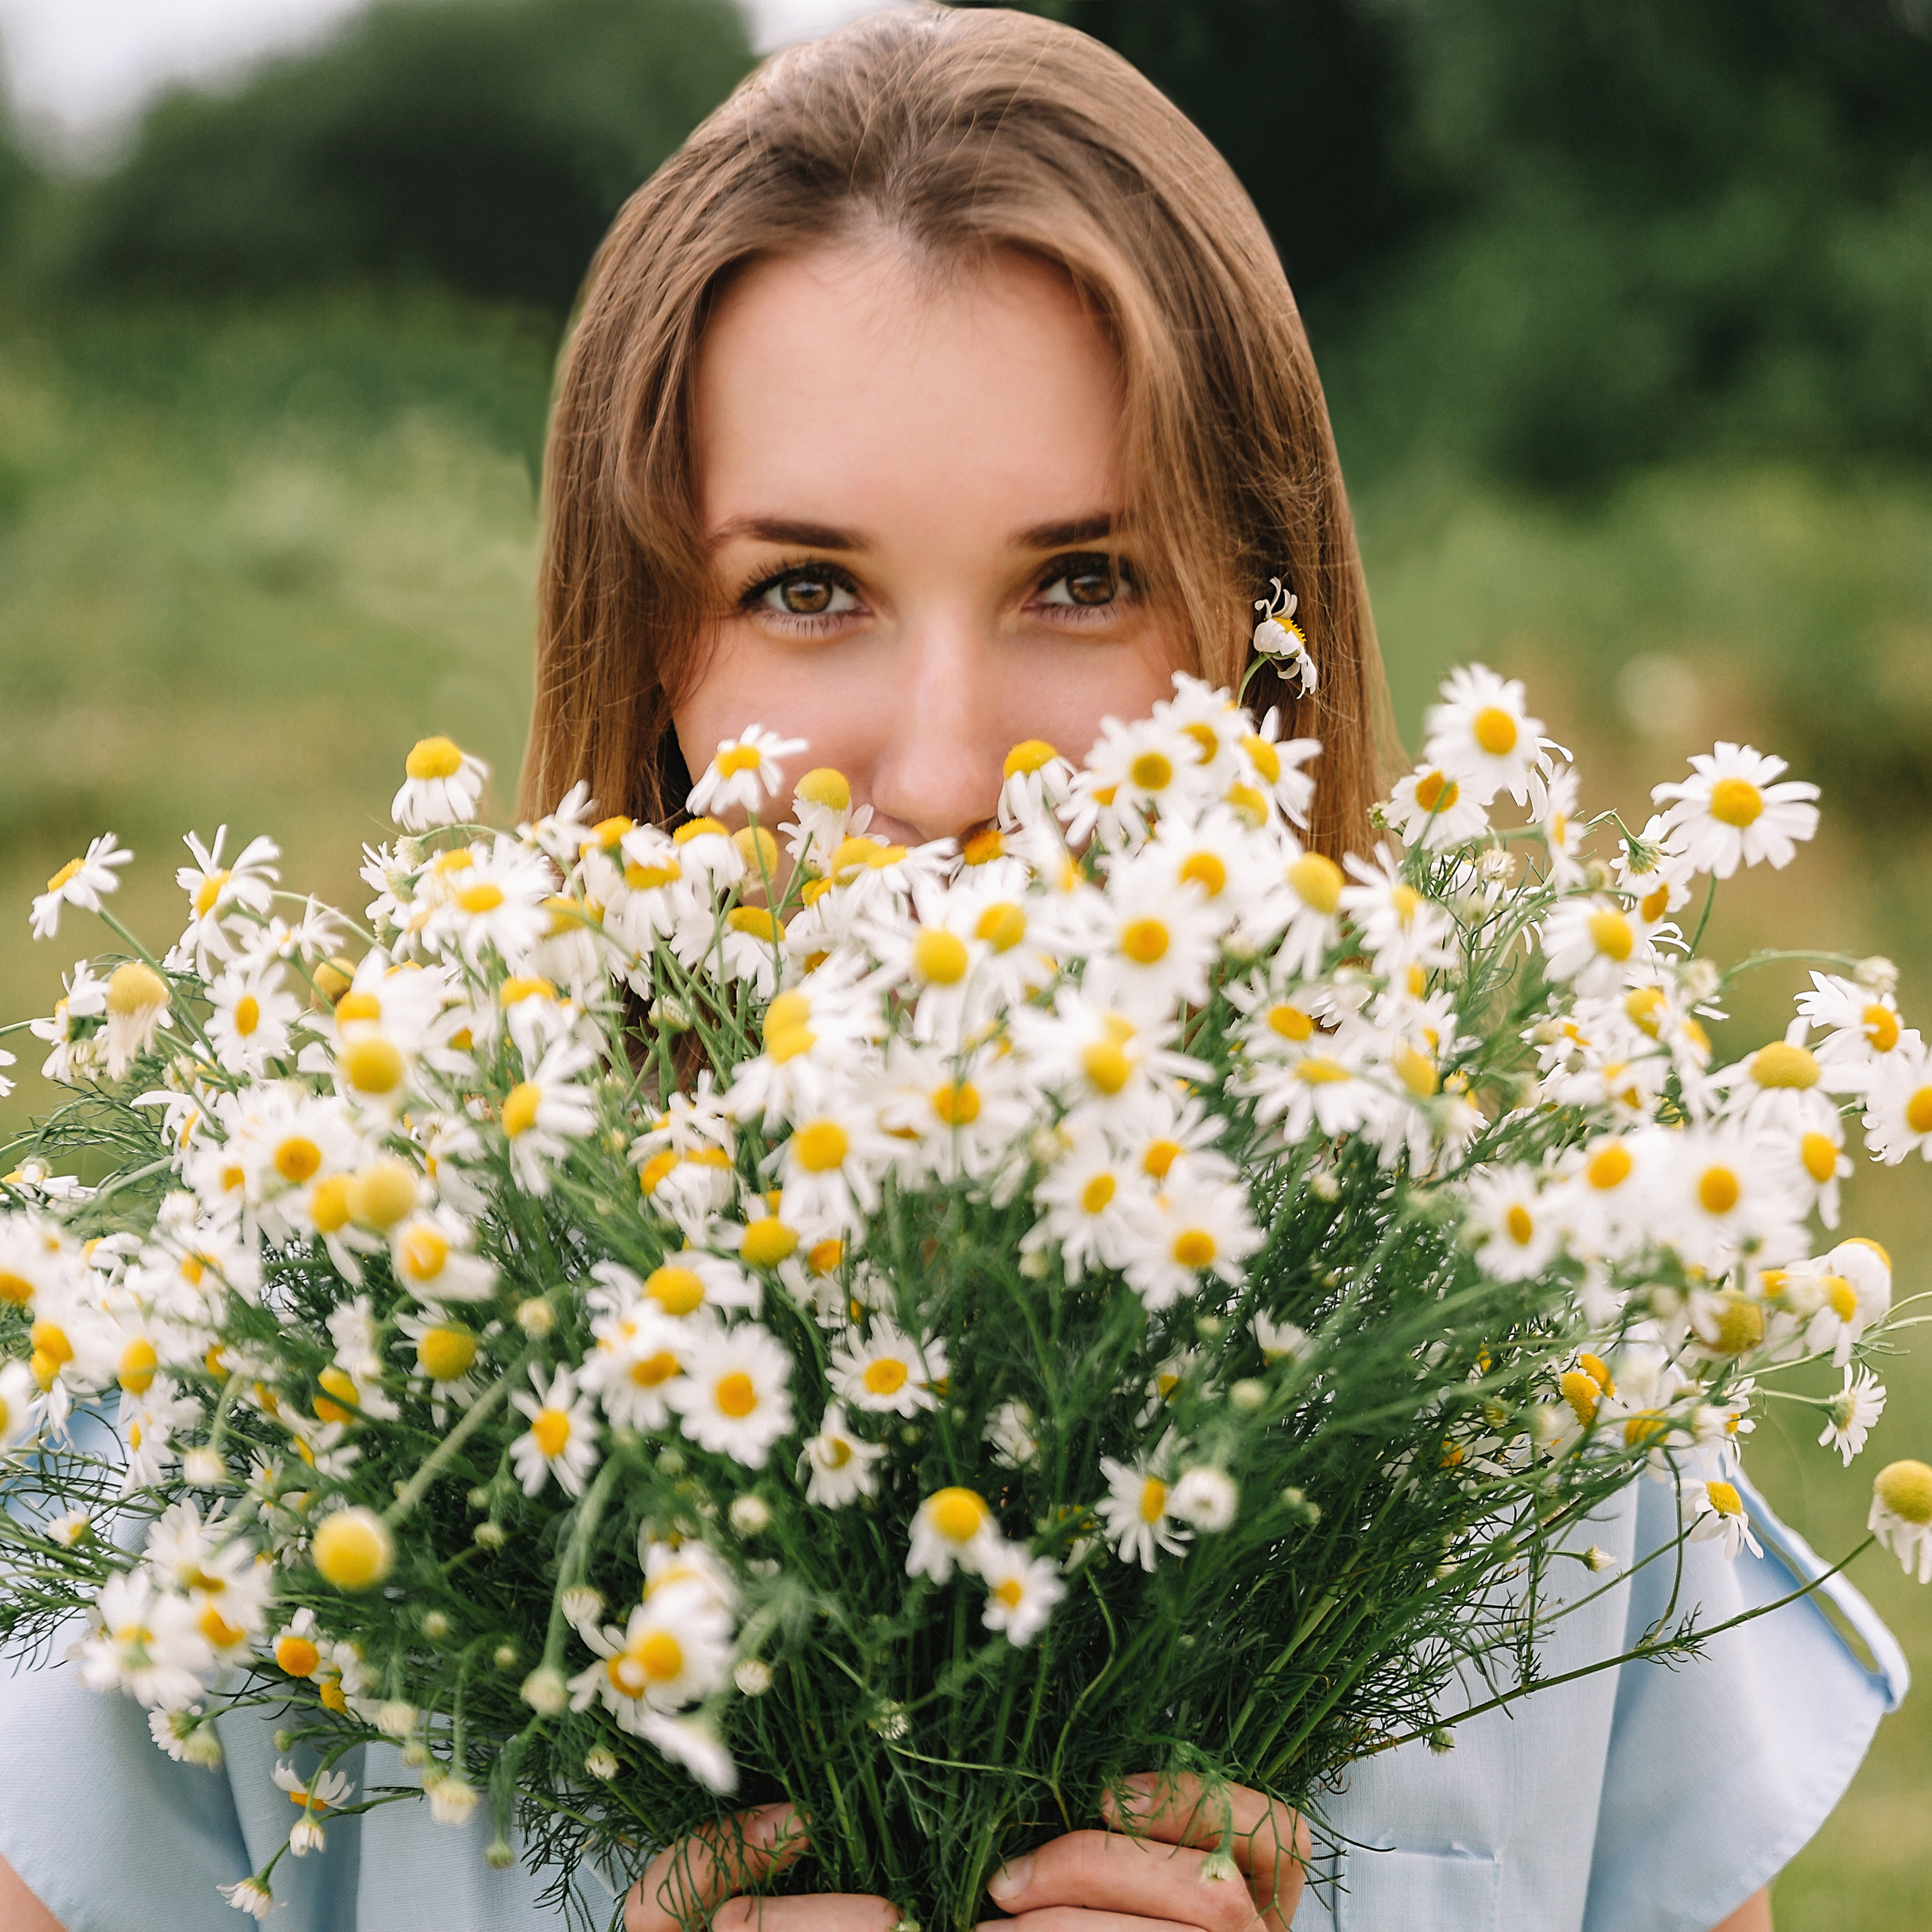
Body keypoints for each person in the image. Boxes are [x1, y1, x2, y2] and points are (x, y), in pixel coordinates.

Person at [0, 9, 1906, 1931]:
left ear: (1260, 637)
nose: (935, 776)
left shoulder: (1518, 1408)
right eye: (804, 591)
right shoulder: (265, 1415)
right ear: (655, 656)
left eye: (1080, 579)